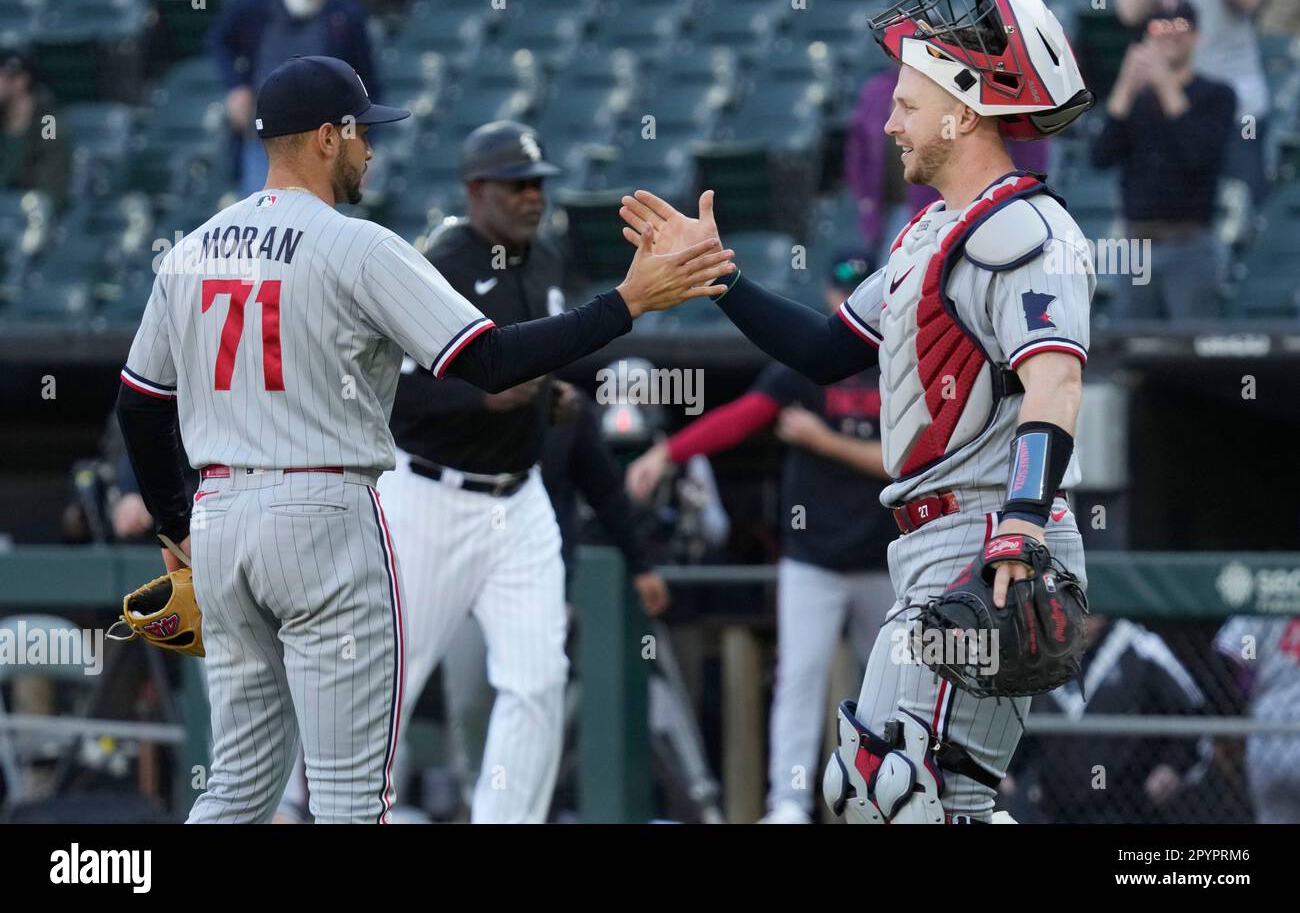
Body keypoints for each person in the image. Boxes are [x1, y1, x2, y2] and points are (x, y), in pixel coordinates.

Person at [114, 55, 735, 824]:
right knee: (350, 799)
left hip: (218, 517)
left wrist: (176, 525)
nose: (370, 151)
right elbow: (488, 360)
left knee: (237, 785)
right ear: (326, 139)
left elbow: (139, 404)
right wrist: (627, 303)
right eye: (360, 134)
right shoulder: (358, 245)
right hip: (323, 508)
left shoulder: (190, 250)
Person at [619, 0, 1096, 823]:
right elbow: (826, 350)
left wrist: (1022, 521)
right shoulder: (929, 232)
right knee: (923, 795)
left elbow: (1053, 379)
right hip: (934, 544)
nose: (887, 122)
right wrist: (718, 278)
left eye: (908, 103)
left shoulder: (1024, 229)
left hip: (989, 535)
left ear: (963, 111)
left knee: (895, 793)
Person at [373, 120, 693, 823]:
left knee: (538, 679)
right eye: (516, 184)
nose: (531, 195)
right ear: (474, 189)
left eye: (538, 182)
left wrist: (550, 398)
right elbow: (389, 389)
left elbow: (535, 368)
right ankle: (336, 811)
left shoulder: (547, 261)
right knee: (387, 680)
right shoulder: (440, 262)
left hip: (518, 502)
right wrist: (477, 394)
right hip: (428, 490)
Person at [625, 253, 897, 824]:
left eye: (857, 288)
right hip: (814, 557)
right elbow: (743, 417)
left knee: (893, 690)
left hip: (883, 558)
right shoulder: (812, 357)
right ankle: (789, 804)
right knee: (799, 680)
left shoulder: (899, 359)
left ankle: (889, 800)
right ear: (828, 293)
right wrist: (666, 452)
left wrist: (823, 441)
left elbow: (905, 462)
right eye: (838, 288)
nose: (841, 298)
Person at [1091, 0, 1237, 319]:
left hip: (1190, 242)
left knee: (1194, 347)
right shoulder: (1134, 100)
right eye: (1160, 25)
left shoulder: (1216, 95)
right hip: (1135, 245)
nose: (1170, 32)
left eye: (1181, 24)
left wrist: (1165, 83)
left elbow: (1198, 153)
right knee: (1132, 347)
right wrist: (1126, 86)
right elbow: (1100, 157)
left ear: (1197, 35)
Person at [1002, 616, 1208, 823]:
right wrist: (1008, 768)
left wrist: (1172, 766)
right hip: (1051, 806)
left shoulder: (1138, 646)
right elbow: (1021, 722)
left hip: (1124, 805)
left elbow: (1190, 713)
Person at [207, 0, 379, 195]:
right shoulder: (257, 6)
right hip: (264, 141)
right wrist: (236, 86)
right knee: (263, 218)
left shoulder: (347, 15)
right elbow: (219, 39)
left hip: (326, 143)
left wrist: (362, 148)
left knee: (325, 224)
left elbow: (366, 83)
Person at [847, 69, 1049, 267]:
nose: (891, 126)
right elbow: (858, 150)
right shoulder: (878, 90)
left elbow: (1029, 145)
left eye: (909, 107)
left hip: (972, 205)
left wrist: (1022, 190)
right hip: (893, 212)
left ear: (965, 116)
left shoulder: (975, 83)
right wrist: (866, 200)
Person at [1116, 0, 1276, 204]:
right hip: (1171, 108)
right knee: (1181, 212)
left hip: (1241, 108)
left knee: (1242, 208)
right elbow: (1129, 11)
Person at [1214, 615, 1300, 822]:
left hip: (1270, 736)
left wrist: (1246, 684)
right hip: (1271, 735)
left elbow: (1236, 659)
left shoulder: (1263, 600)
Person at [0, 50, 70, 201]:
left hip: (32, 208)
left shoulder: (49, 120)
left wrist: (16, 133)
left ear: (23, 82)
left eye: (7, 77)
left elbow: (50, 180)